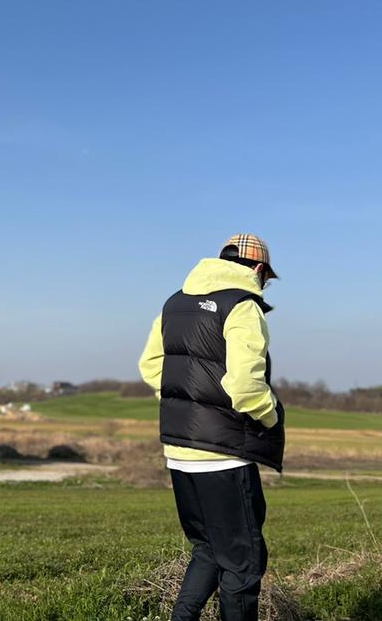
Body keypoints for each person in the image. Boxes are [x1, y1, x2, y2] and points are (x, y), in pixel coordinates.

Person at [138, 234, 285, 621]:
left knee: (207, 549)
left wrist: (190, 409)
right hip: (223, 456)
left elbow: (151, 366)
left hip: (180, 451)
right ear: (258, 269)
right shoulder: (242, 305)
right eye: (266, 278)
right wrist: (272, 416)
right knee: (243, 563)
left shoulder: (174, 303)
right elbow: (245, 387)